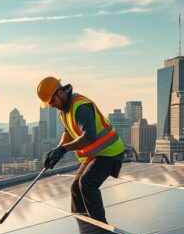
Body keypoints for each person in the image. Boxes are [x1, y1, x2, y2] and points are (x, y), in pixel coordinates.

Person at [38, 77, 125, 223]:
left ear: (60, 93)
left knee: (87, 182)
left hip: (110, 152)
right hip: (95, 155)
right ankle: (85, 227)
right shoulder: (64, 110)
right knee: (75, 188)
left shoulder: (80, 107)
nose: (52, 106)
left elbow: (89, 137)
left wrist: (64, 149)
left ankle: (101, 229)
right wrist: (58, 148)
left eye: (52, 101)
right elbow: (68, 132)